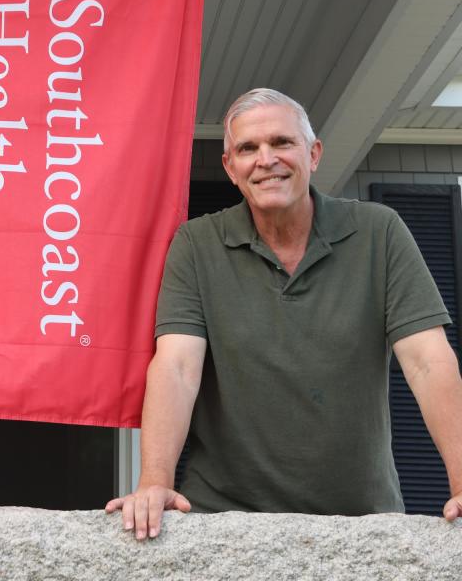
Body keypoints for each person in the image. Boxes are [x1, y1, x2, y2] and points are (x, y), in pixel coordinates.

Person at [105, 88, 462, 538]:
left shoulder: (380, 232)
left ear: (313, 154)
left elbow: (428, 361)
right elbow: (176, 366)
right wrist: (154, 483)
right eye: (248, 149)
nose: (265, 159)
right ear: (230, 168)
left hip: (361, 520)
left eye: (281, 143)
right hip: (224, 519)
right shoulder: (197, 245)